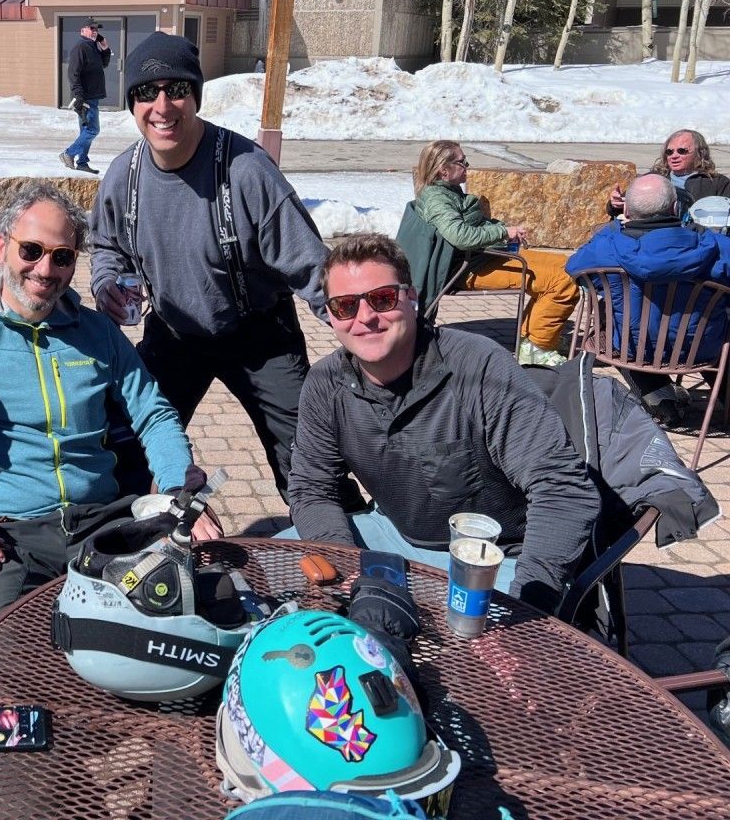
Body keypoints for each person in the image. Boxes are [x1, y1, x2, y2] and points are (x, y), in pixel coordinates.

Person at [0, 182, 217, 655]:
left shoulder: (96, 334)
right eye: (32, 250)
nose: (45, 270)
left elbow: (153, 413)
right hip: (9, 537)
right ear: (2, 245)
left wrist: (176, 490)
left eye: (63, 256)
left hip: (106, 527)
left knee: (191, 631)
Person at [287, 234, 601, 612]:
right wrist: (344, 563)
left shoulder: (478, 365)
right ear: (331, 316)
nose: (365, 317)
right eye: (345, 306)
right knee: (265, 580)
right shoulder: (325, 384)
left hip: (491, 559)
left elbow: (563, 489)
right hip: (389, 533)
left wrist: (528, 602)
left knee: (478, 658)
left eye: (382, 298)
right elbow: (311, 488)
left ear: (412, 296)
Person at [90, 31, 330, 499]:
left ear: (196, 96)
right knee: (128, 446)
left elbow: (314, 269)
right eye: (146, 93)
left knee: (309, 462)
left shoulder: (247, 171)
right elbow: (105, 245)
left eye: (176, 89)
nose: (162, 106)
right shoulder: (124, 174)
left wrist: (371, 332)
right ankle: (140, 542)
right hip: (175, 336)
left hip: (259, 337)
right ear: (132, 104)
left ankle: (337, 552)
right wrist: (104, 284)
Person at [568, 172, 730, 424]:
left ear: (628, 211)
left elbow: (575, 268)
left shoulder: (607, 246)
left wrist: (613, 226)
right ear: (677, 207)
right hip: (701, 348)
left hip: (630, 346)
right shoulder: (718, 246)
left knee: (608, 314)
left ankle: (659, 397)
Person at [402, 139, 578, 366]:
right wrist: (502, 232)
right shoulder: (437, 199)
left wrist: (500, 232)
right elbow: (460, 236)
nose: (467, 165)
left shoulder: (447, 191)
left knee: (567, 266)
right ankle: (537, 347)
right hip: (466, 268)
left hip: (481, 257)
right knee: (560, 281)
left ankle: (536, 338)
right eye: (462, 161)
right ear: (443, 170)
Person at [607, 129, 730, 219]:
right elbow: (619, 208)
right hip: (653, 235)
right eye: (669, 152)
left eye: (682, 151)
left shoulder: (718, 183)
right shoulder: (653, 179)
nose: (674, 156)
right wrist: (615, 204)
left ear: (700, 153)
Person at [59, 18, 111, 174]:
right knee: (92, 130)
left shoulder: (92, 46)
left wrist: (105, 48)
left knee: (86, 130)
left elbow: (104, 64)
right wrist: (78, 96)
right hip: (85, 97)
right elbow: (73, 73)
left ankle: (82, 162)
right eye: (91, 29)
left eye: (97, 30)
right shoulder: (80, 47)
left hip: (92, 96)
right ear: (82, 31)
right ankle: (68, 154)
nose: (95, 31)